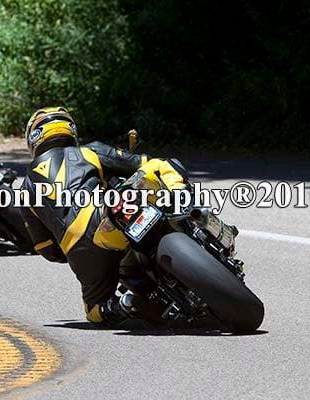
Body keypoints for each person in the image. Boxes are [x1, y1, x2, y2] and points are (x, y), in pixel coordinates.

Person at [21, 107, 190, 325]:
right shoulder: (88, 152)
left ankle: (123, 304)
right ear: (70, 130)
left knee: (94, 311)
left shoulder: (25, 189)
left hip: (79, 251)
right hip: (102, 215)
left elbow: (46, 249)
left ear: (34, 139)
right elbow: (142, 163)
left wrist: (71, 253)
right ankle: (183, 204)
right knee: (161, 165)